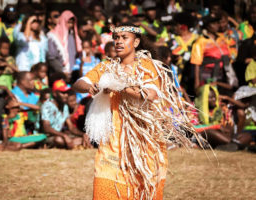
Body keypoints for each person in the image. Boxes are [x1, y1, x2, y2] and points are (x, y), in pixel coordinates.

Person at [73, 23, 198, 199]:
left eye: (124, 38)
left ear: (136, 42)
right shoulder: (107, 66)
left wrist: (119, 86)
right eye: (116, 38)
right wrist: (90, 86)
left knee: (142, 189)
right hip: (113, 139)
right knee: (105, 185)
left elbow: (151, 94)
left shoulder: (148, 66)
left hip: (142, 139)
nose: (118, 41)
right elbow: (78, 83)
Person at [41, 79, 91, 149]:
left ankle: (73, 143)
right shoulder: (47, 105)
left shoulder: (65, 106)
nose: (66, 95)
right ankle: (73, 143)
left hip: (61, 134)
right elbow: (47, 128)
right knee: (58, 140)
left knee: (86, 138)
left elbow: (71, 127)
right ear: (55, 93)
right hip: (49, 136)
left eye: (67, 92)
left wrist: (83, 134)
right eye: (62, 93)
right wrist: (64, 136)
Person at [190, 14, 233, 95]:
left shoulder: (222, 39)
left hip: (223, 75)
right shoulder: (200, 41)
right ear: (207, 26)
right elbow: (196, 64)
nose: (217, 25)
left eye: (217, 23)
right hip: (207, 76)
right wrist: (197, 84)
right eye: (214, 23)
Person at [47, 10, 82, 76]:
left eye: (72, 23)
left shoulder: (73, 36)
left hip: (72, 74)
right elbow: (52, 58)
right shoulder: (53, 36)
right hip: (59, 74)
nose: (70, 25)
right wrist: (62, 71)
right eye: (68, 23)